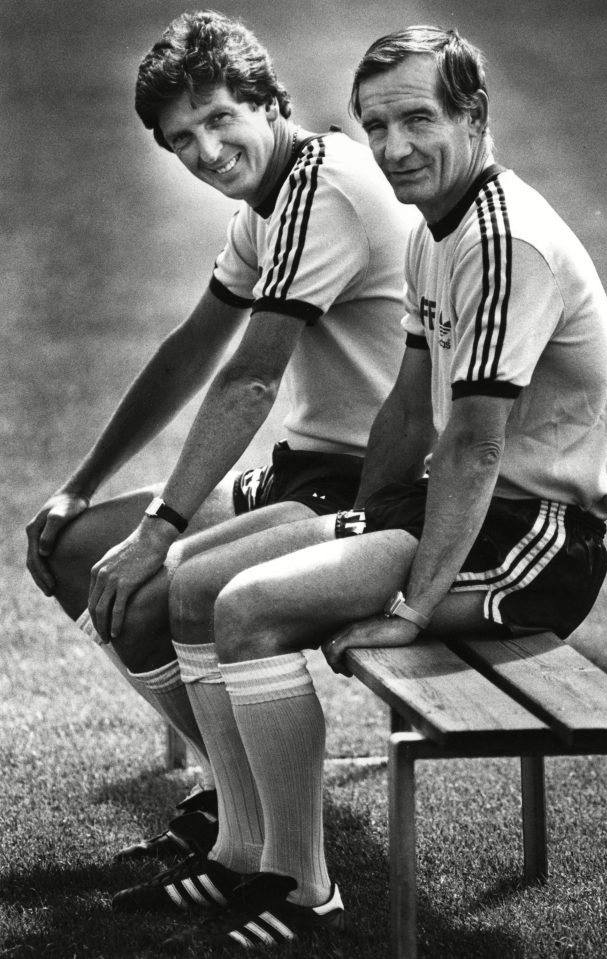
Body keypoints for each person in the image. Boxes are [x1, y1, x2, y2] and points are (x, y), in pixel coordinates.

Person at [111, 23, 607, 951]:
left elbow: (473, 445)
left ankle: (304, 889)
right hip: (448, 508)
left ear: (475, 116)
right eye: (375, 123)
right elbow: (407, 413)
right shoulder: (438, 227)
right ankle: (238, 851)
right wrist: (366, 517)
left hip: (532, 539)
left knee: (253, 606)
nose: (393, 148)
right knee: (190, 579)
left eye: (417, 120)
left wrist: (415, 607)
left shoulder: (507, 243)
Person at [24, 9, 414, 862]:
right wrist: (82, 486)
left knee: (150, 583)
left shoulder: (327, 185)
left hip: (368, 490)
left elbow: (250, 377)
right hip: (303, 470)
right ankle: (233, 791)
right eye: (180, 140)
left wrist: (157, 530)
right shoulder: (268, 202)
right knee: (73, 549)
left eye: (217, 119)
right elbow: (194, 349)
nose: (204, 152)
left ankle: (256, 828)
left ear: (268, 101)